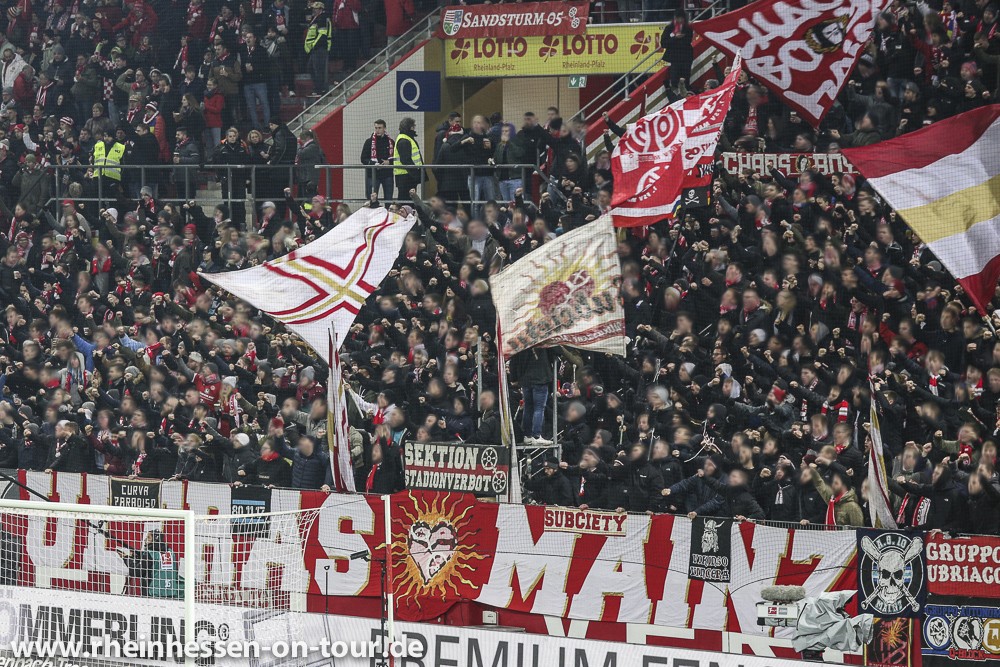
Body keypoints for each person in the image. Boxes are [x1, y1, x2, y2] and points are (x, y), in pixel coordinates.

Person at [116, 529, 180, 598]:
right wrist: (138, 556)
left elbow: (135, 572)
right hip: (171, 592)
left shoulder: (150, 554)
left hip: (153, 593)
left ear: (155, 540)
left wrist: (126, 558)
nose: (145, 540)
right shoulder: (171, 552)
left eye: (148, 538)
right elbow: (156, 565)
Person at [361, 119, 394, 201]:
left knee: (388, 199)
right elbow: (363, 158)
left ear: (384, 129)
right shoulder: (369, 142)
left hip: (387, 174)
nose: (377, 130)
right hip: (373, 175)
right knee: (371, 199)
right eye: (376, 128)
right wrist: (374, 164)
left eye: (380, 128)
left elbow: (396, 158)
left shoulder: (391, 142)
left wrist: (389, 162)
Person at [304, 2, 332, 97]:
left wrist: (314, 45)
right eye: (313, 9)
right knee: (311, 68)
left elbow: (322, 34)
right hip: (315, 48)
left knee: (318, 69)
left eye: (316, 8)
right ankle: (318, 88)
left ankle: (320, 90)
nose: (313, 10)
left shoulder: (322, 18)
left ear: (321, 9)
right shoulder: (315, 18)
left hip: (320, 48)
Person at [393, 117, 422, 197]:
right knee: (406, 201)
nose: (414, 129)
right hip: (406, 176)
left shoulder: (406, 138)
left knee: (408, 201)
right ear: (409, 127)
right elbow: (405, 160)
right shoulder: (404, 140)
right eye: (413, 127)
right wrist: (416, 173)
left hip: (407, 175)